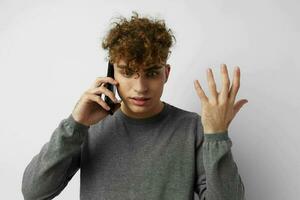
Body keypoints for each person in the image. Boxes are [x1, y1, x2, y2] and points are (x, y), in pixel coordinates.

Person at [22, 11, 247, 200]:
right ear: (112, 73)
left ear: (166, 73)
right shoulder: (87, 127)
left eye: (151, 73)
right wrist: (75, 124)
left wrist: (217, 136)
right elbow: (34, 192)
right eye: (128, 72)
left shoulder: (192, 128)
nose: (140, 87)